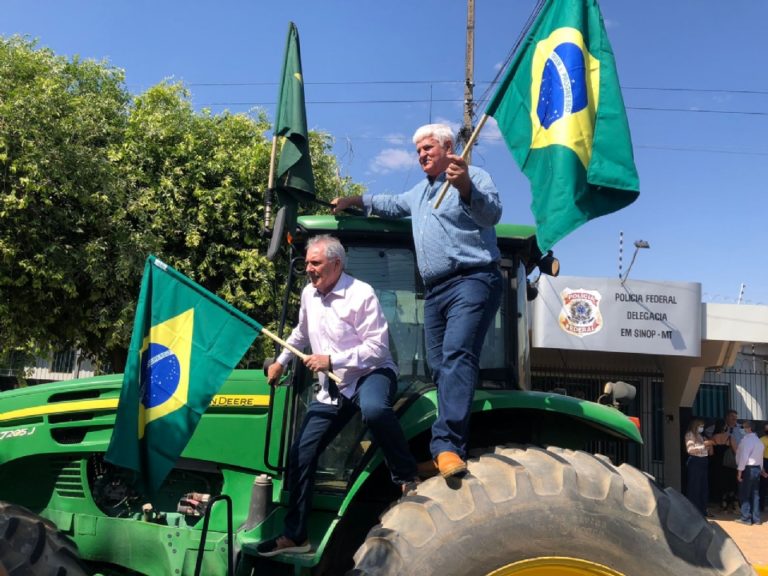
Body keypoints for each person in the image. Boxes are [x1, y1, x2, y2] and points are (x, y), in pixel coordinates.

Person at [331, 123, 502, 478]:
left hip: (471, 279)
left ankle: (447, 447)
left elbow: (491, 214)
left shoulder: (475, 177)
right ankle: (445, 444)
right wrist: (355, 202)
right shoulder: (419, 194)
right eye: (418, 151)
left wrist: (465, 186)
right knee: (437, 366)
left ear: (449, 147)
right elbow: (389, 204)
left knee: (457, 355)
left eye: (428, 148)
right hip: (435, 290)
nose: (422, 155)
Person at [256, 235, 418, 556]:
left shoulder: (361, 294)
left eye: (315, 263)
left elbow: (377, 349)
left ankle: (406, 476)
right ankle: (296, 535)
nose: (308, 269)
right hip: (333, 386)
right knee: (301, 452)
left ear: (336, 264)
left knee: (373, 408)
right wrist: (280, 362)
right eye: (306, 263)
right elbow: (301, 333)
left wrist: (331, 360)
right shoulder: (308, 294)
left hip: (370, 373)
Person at [734, 420, 767, 526]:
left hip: (748, 469)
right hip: (757, 468)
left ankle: (745, 518)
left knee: (745, 493)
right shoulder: (758, 441)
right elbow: (760, 458)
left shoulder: (747, 441)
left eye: (744, 427)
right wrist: (762, 470)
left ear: (749, 429)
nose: (742, 429)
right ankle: (756, 518)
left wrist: (739, 471)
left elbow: (744, 457)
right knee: (755, 494)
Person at [684, 418, 713, 517]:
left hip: (703, 461)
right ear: (695, 426)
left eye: (703, 426)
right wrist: (703, 446)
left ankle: (702, 509)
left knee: (703, 487)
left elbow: (709, 452)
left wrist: (709, 446)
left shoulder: (701, 436)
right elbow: (690, 450)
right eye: (700, 426)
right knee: (694, 486)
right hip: (695, 461)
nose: (702, 428)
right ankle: (693, 510)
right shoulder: (690, 435)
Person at [708, 419, 739, 512]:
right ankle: (732, 504)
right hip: (728, 465)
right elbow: (736, 452)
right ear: (725, 427)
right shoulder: (729, 437)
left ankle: (722, 503)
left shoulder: (713, 438)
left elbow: (711, 453)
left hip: (717, 465)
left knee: (720, 484)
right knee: (730, 484)